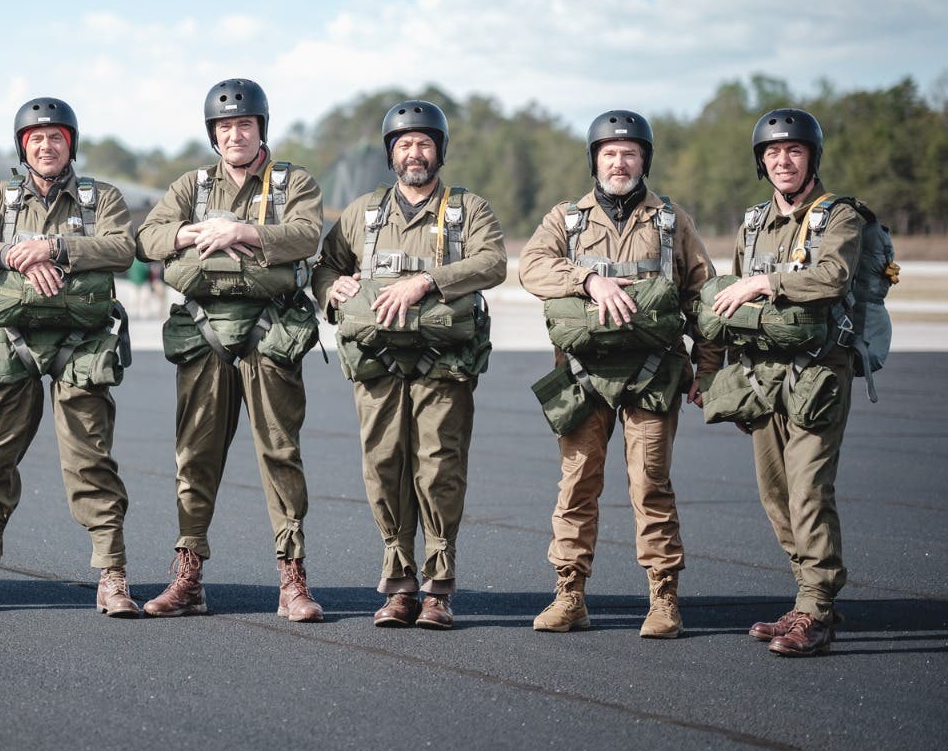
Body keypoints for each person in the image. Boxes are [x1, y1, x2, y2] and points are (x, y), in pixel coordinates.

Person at [518, 109, 721, 637]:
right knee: (577, 485)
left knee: (650, 485)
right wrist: (588, 280)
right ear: (595, 161)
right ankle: (569, 595)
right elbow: (532, 267)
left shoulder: (673, 222)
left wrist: (709, 366)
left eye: (629, 153)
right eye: (609, 153)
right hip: (583, 377)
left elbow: (704, 295)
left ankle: (663, 597)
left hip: (653, 377)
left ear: (644, 160)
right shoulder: (566, 219)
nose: (619, 162)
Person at [135, 78, 326, 621]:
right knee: (194, 455)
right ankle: (188, 574)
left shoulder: (293, 183)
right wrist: (195, 234)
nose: (234, 134)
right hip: (204, 334)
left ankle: (292, 578)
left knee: (280, 455)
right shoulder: (191, 187)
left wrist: (240, 230)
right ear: (212, 135)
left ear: (261, 128)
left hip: (270, 334)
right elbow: (147, 238)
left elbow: (308, 235)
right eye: (224, 127)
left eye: (244, 124)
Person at [312, 100, 506, 628]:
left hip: (445, 363)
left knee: (439, 467)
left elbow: (493, 262)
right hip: (378, 363)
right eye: (404, 144)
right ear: (390, 154)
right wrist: (336, 288)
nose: (414, 152)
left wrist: (427, 281)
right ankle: (399, 584)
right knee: (383, 467)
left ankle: (438, 587)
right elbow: (324, 268)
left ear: (439, 150)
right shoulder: (363, 213)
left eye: (423, 143)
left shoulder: (468, 210)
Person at [0, 97, 140, 616]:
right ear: (22, 146)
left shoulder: (102, 199)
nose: (47, 146)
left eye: (56, 137)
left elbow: (123, 248)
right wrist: (13, 256)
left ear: (70, 144)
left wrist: (55, 250)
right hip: (11, 341)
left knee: (89, 461)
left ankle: (112, 577)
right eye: (36, 138)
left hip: (82, 343)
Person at [708, 109, 861, 656]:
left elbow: (832, 277)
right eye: (772, 153)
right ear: (761, 162)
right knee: (775, 495)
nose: (783, 160)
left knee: (809, 489)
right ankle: (808, 598)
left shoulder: (839, 216)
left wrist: (764, 281)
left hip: (819, 374)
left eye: (794, 151)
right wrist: (715, 369)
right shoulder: (753, 223)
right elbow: (730, 298)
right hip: (762, 374)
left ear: (812, 157)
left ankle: (816, 610)